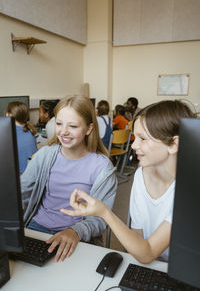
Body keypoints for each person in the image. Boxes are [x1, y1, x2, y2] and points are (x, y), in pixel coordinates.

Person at [60, 100, 196, 264]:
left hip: (183, 267)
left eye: (142, 138)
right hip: (154, 264)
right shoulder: (141, 175)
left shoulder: (191, 190)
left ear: (174, 144)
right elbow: (138, 235)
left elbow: (148, 253)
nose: (133, 145)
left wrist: (104, 212)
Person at [21, 95, 117, 262]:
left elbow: (100, 218)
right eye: (59, 124)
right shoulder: (44, 155)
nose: (63, 131)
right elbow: (22, 194)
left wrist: (75, 231)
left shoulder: (102, 168)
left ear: (89, 129)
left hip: (75, 233)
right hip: (36, 228)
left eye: (72, 126)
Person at [6, 101, 37, 174]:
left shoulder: (10, 132)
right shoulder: (29, 130)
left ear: (9, 115)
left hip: (19, 176)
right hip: (29, 174)